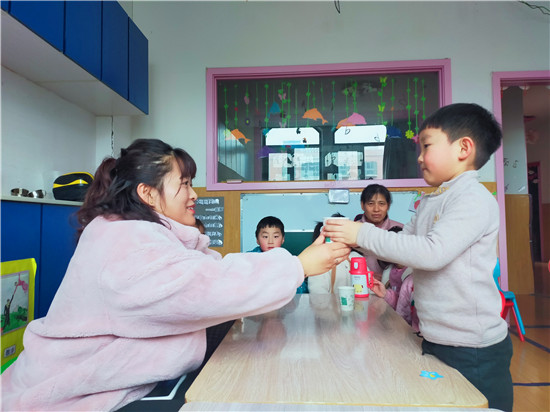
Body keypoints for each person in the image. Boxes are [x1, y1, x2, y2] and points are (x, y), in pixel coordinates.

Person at [1, 139, 350, 411]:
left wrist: (295, 265)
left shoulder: (143, 233)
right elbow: (204, 289)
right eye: (184, 184)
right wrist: (297, 266)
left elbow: (211, 271)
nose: (194, 194)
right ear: (148, 193)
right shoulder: (123, 240)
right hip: (67, 395)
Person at [323, 103, 512, 411]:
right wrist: (349, 244)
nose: (420, 157)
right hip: (435, 337)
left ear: (463, 148)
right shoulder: (431, 201)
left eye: (427, 146)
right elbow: (402, 248)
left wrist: (361, 233)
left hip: (473, 347)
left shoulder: (473, 198)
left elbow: (432, 253)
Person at [353, 184, 403, 281]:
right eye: (371, 203)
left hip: (391, 286)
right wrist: (367, 276)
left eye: (381, 204)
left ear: (388, 205)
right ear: (362, 205)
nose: (376, 209)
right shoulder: (353, 230)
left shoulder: (400, 231)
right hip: (358, 284)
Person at [248, 216, 309, 293]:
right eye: (265, 237)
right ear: (257, 239)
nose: (270, 241)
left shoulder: (290, 262)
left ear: (283, 239)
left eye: (275, 236)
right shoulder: (248, 260)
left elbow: (301, 289)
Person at [308, 213, 355, 294]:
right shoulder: (320, 260)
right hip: (328, 302)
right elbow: (317, 293)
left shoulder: (357, 258)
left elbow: (368, 287)